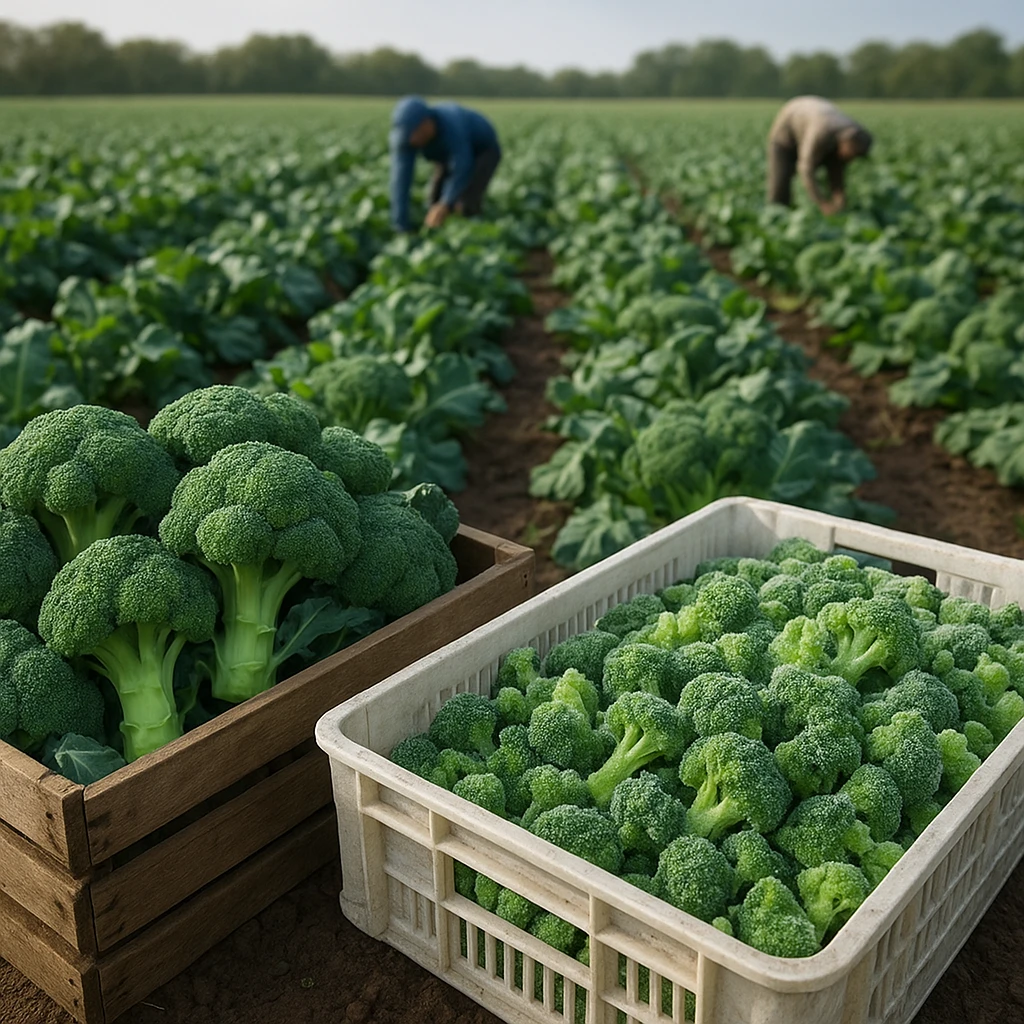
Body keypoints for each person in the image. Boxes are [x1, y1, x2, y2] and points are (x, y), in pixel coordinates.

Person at [389, 96, 502, 233]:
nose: (412, 140)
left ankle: (472, 232)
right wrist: (401, 224)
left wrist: (446, 203)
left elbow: (462, 167)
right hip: (446, 156)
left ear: (426, 123)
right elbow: (401, 180)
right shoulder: (406, 139)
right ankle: (437, 231)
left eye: (414, 134)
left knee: (465, 202)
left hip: (483, 151)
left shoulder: (452, 124)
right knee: (433, 201)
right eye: (407, 136)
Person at [767, 96, 873, 214]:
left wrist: (840, 198)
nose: (851, 160)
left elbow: (837, 170)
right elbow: (806, 168)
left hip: (822, 132)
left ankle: (837, 205)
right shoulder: (820, 131)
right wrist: (822, 203)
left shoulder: (855, 131)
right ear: (846, 143)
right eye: (852, 154)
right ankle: (777, 213)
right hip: (786, 137)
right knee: (781, 182)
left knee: (836, 164)